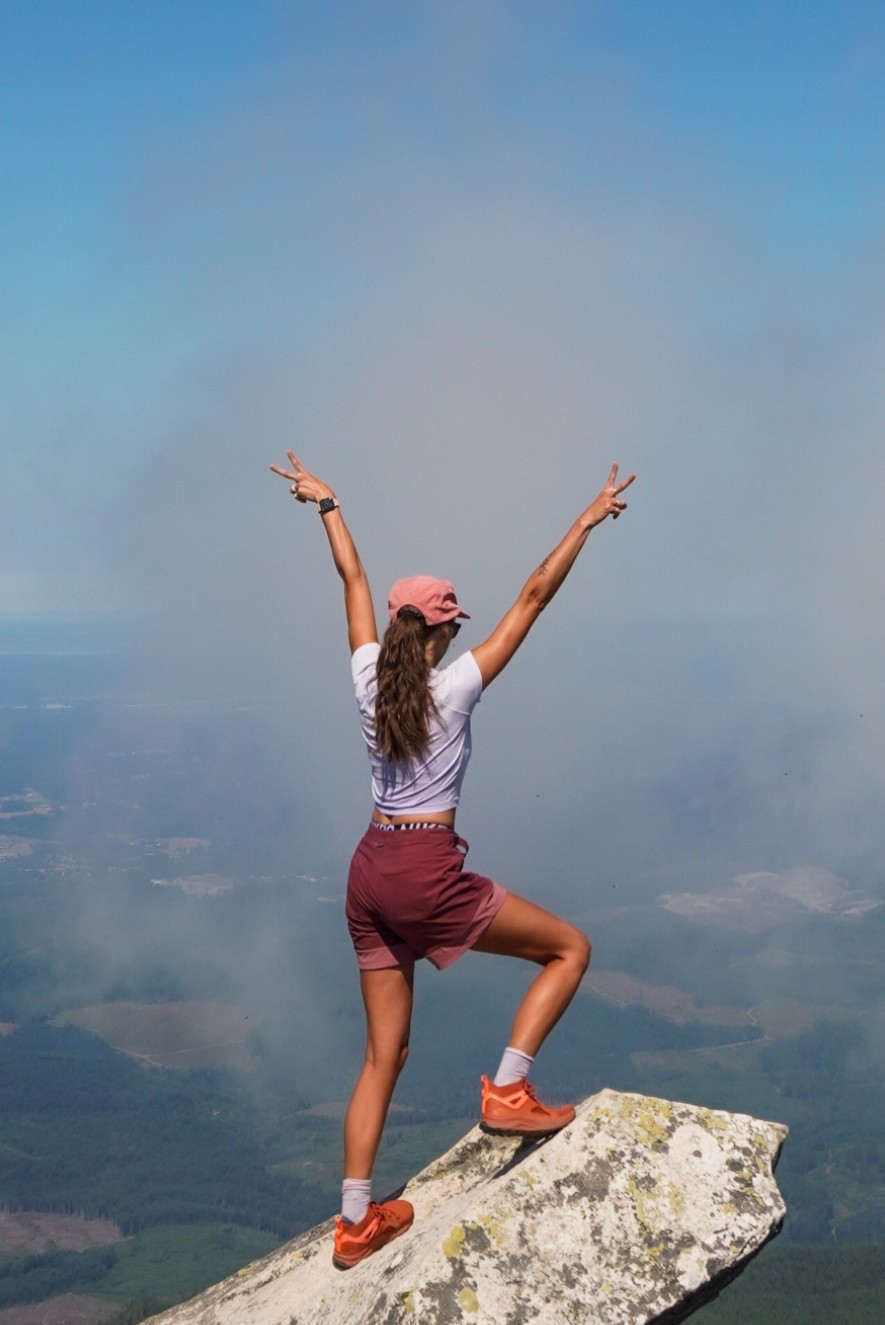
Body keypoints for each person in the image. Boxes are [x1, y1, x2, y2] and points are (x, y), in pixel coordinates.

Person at [269, 450, 635, 1270]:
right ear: (438, 630)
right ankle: (509, 1087)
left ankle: (355, 1220)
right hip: (426, 869)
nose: (461, 630)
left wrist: (326, 502)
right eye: (453, 622)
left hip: (367, 870)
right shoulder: (458, 685)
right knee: (569, 948)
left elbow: (352, 581)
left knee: (380, 1055)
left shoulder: (368, 678)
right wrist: (582, 521)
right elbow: (532, 598)